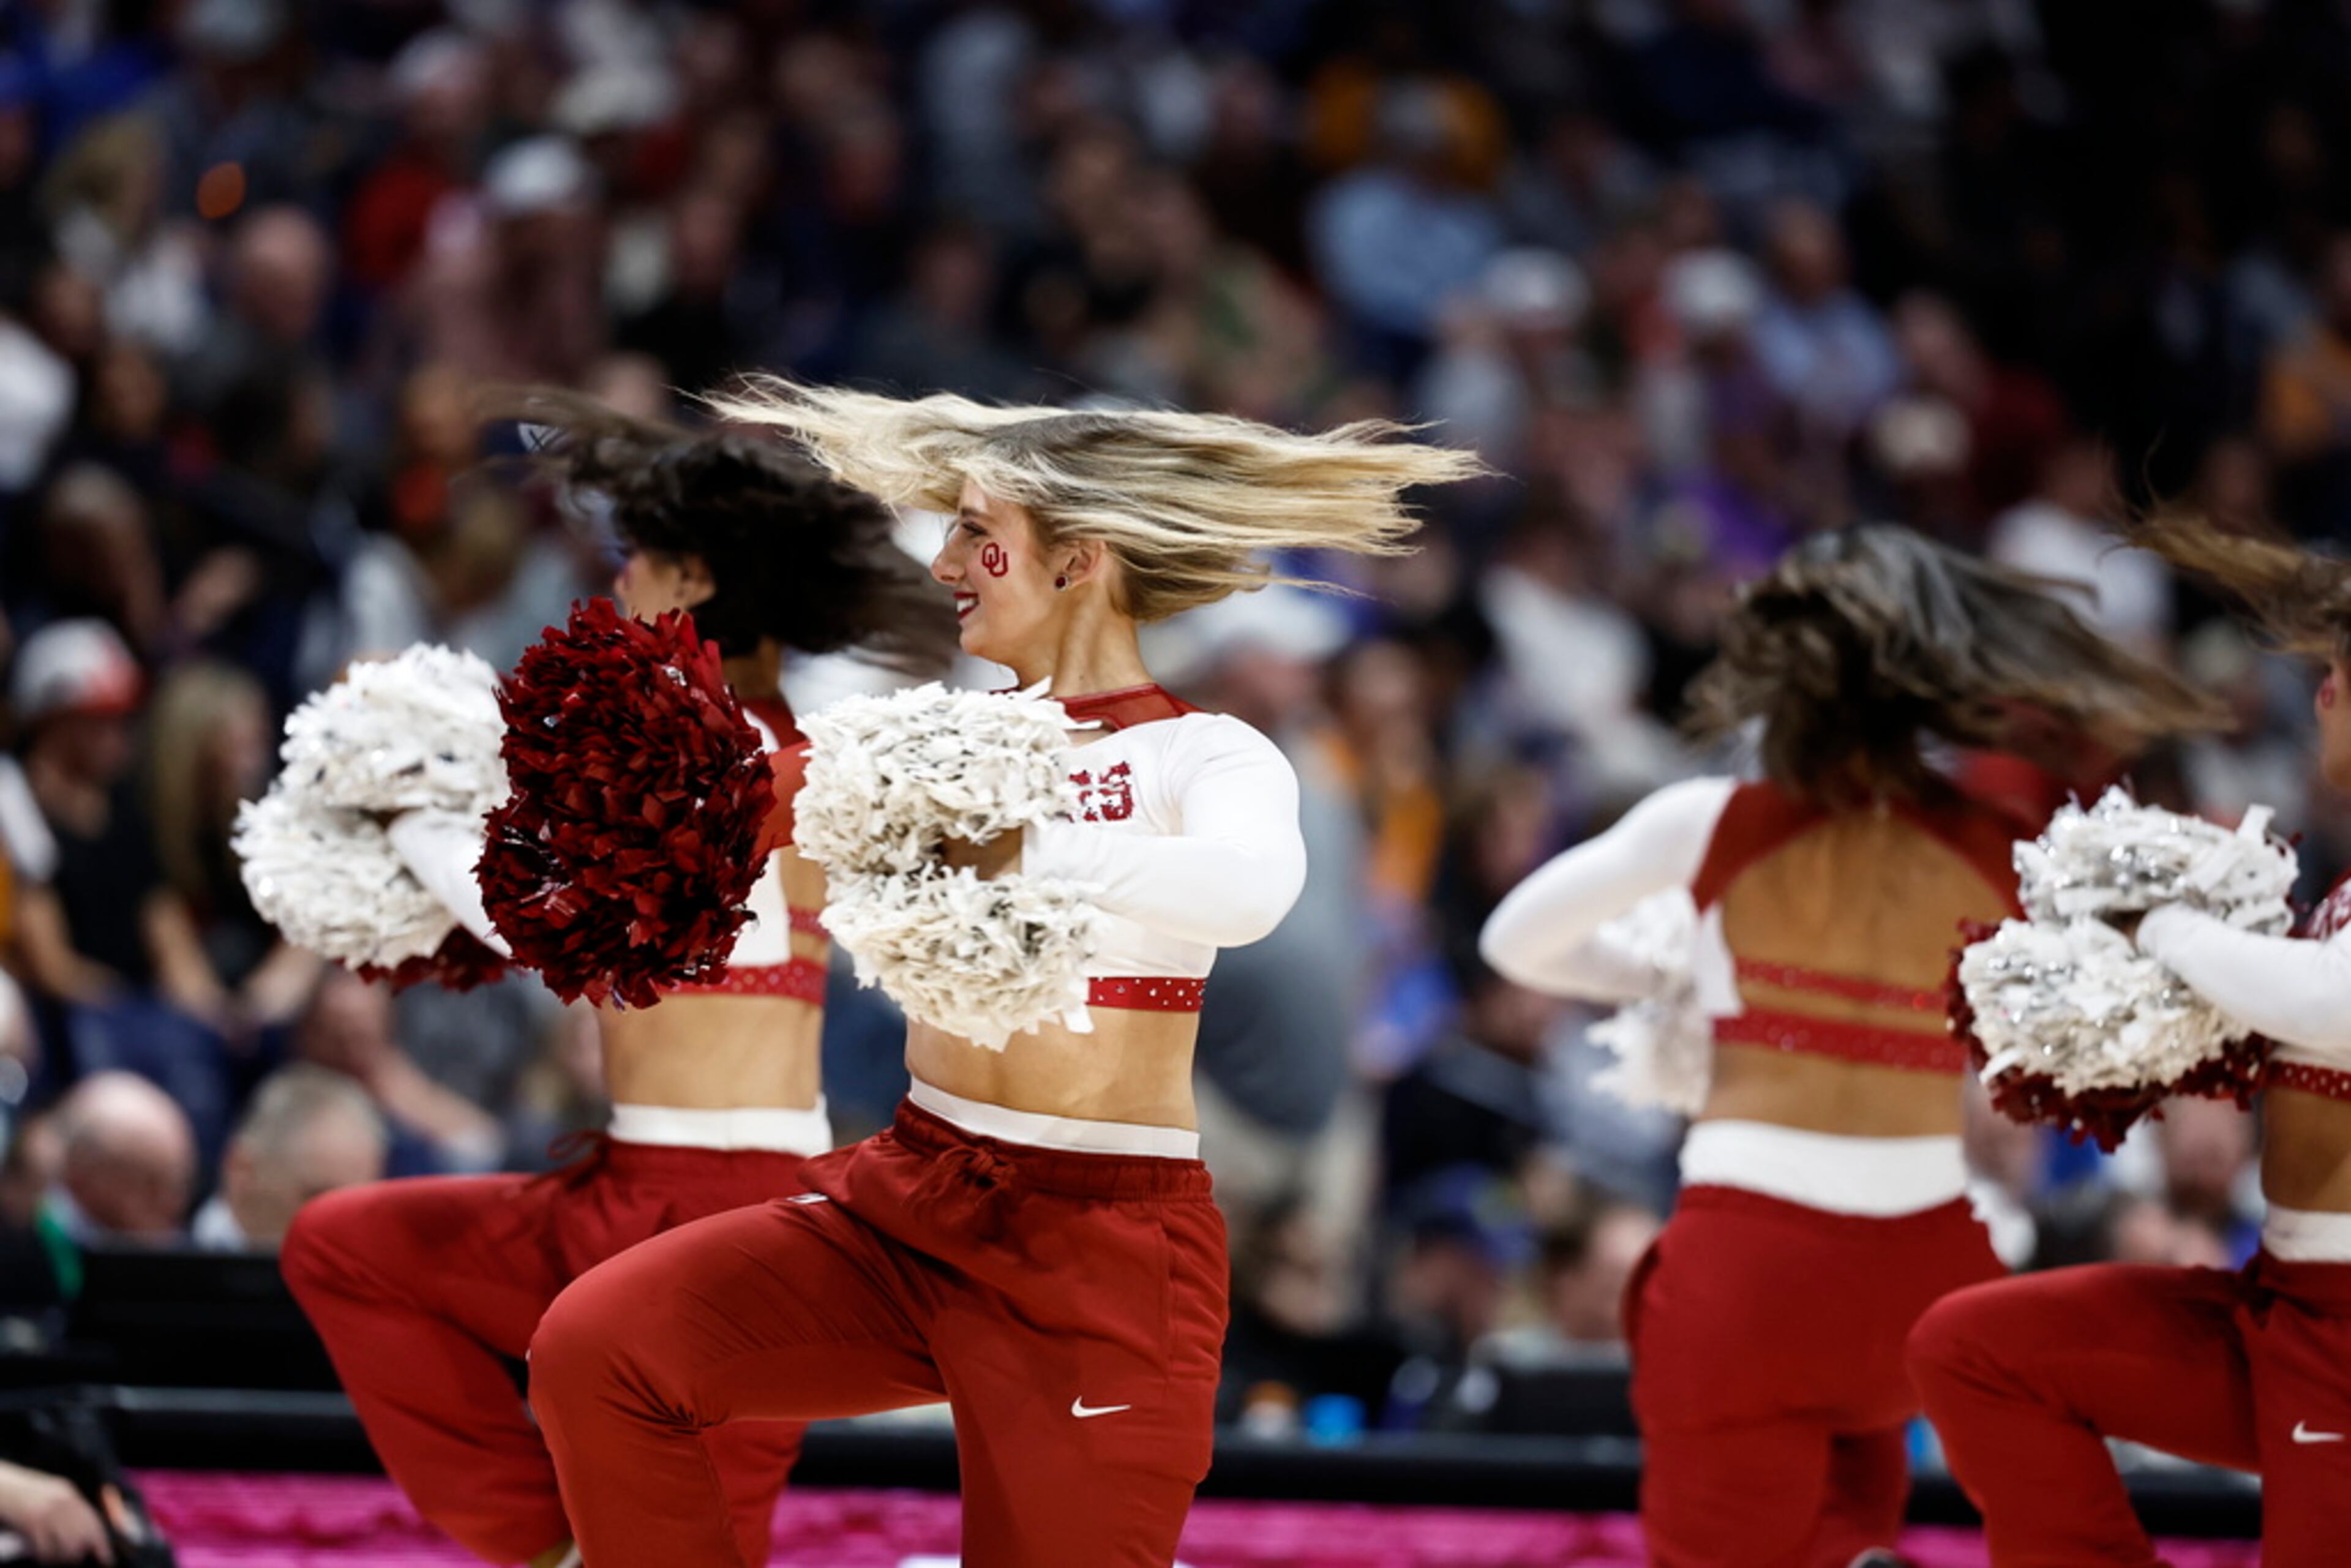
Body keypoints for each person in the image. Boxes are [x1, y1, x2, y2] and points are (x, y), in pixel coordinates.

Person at [525, 381, 1480, 1568]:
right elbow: (730, 812)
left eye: (975, 531)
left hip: (1100, 1251)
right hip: (909, 1200)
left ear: (1078, 562)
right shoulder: (925, 742)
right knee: (600, 1348)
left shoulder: (1202, 749)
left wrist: (1022, 841)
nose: (941, 562)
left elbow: (1251, 889)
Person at [277, 389, 954, 1568]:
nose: (616, 584)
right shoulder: (745, 744)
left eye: (634, 559)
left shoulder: (744, 763)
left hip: (736, 1221)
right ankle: (551, 1542)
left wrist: (408, 804)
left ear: (690, 580)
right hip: (638, 1191)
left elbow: (540, 915)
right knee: (347, 1248)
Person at [1477, 527, 2212, 1568]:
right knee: (1852, 1523)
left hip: (1748, 1276)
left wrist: (1683, 971)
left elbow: (1513, 940)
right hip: (1918, 1281)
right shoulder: (1995, 845)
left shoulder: (1714, 820)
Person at [1908, 518, 2351, 1567]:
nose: (2323, 692)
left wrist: (2158, 924)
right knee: (1977, 1352)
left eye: (2342, 669)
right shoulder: (2344, 887)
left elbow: (2338, 1009)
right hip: (2281, 1306)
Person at [191, 1063, 388, 1251]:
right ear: (241, 1170)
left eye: (360, 1208)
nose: (345, 1228)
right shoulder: (165, 1272)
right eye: (321, 1202)